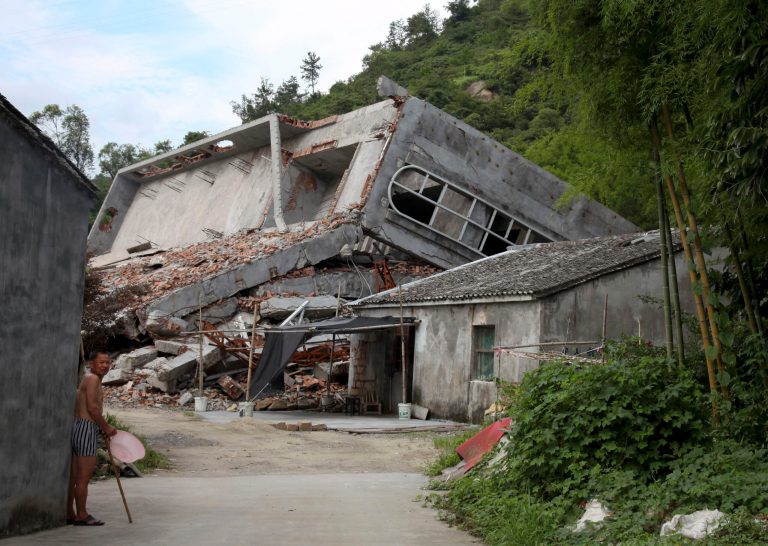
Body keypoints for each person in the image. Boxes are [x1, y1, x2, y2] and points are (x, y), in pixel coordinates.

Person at [66, 351, 117, 526]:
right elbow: (93, 408)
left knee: (74, 476)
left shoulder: (87, 379)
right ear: (91, 364)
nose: (105, 365)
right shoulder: (93, 379)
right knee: (83, 476)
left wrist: (100, 427)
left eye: (107, 362)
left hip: (79, 426)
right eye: (101, 362)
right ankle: (82, 514)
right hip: (86, 428)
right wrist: (107, 427)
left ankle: (69, 512)